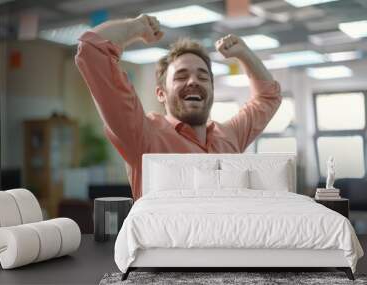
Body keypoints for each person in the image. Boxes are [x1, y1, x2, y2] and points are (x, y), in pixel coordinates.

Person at [75, 14, 282, 200]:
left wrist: (245, 54)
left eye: (203, 77)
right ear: (161, 93)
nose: (193, 81)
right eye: (181, 76)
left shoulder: (229, 136)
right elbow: (92, 52)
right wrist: (136, 27)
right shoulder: (144, 136)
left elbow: (267, 97)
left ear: (211, 89)